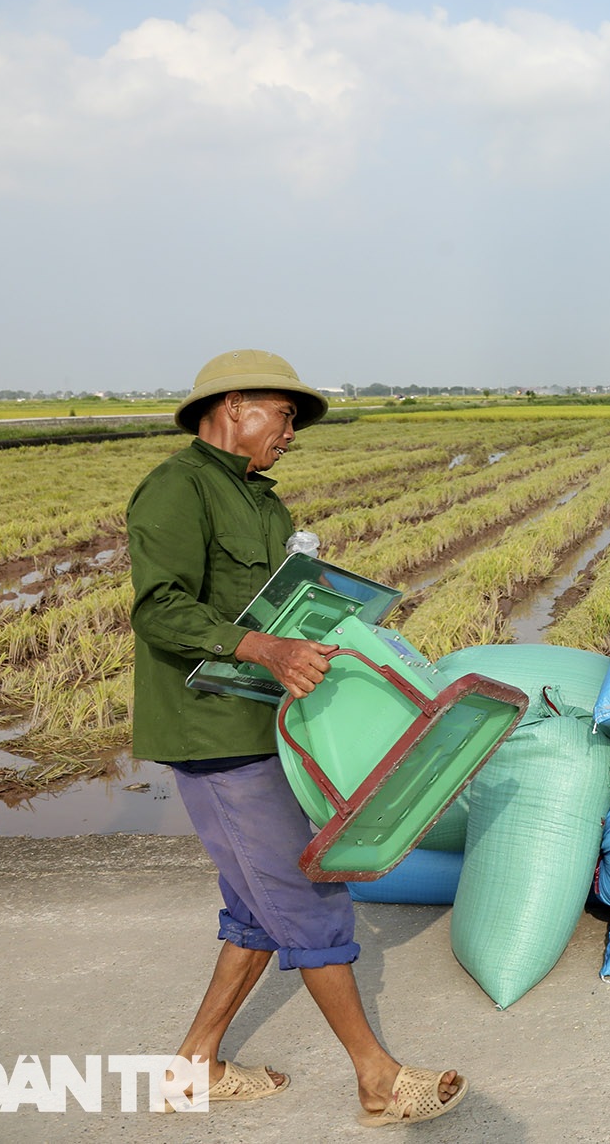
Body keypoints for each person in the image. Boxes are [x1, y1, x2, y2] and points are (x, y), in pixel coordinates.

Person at [128, 349, 466, 1125]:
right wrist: (264, 649)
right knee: (310, 896)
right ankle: (378, 1080)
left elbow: (281, 607)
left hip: (263, 723)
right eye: (285, 415)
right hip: (212, 732)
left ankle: (194, 1066)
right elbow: (160, 608)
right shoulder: (177, 489)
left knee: (256, 907)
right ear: (236, 403)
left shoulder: (264, 504)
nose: (291, 433)